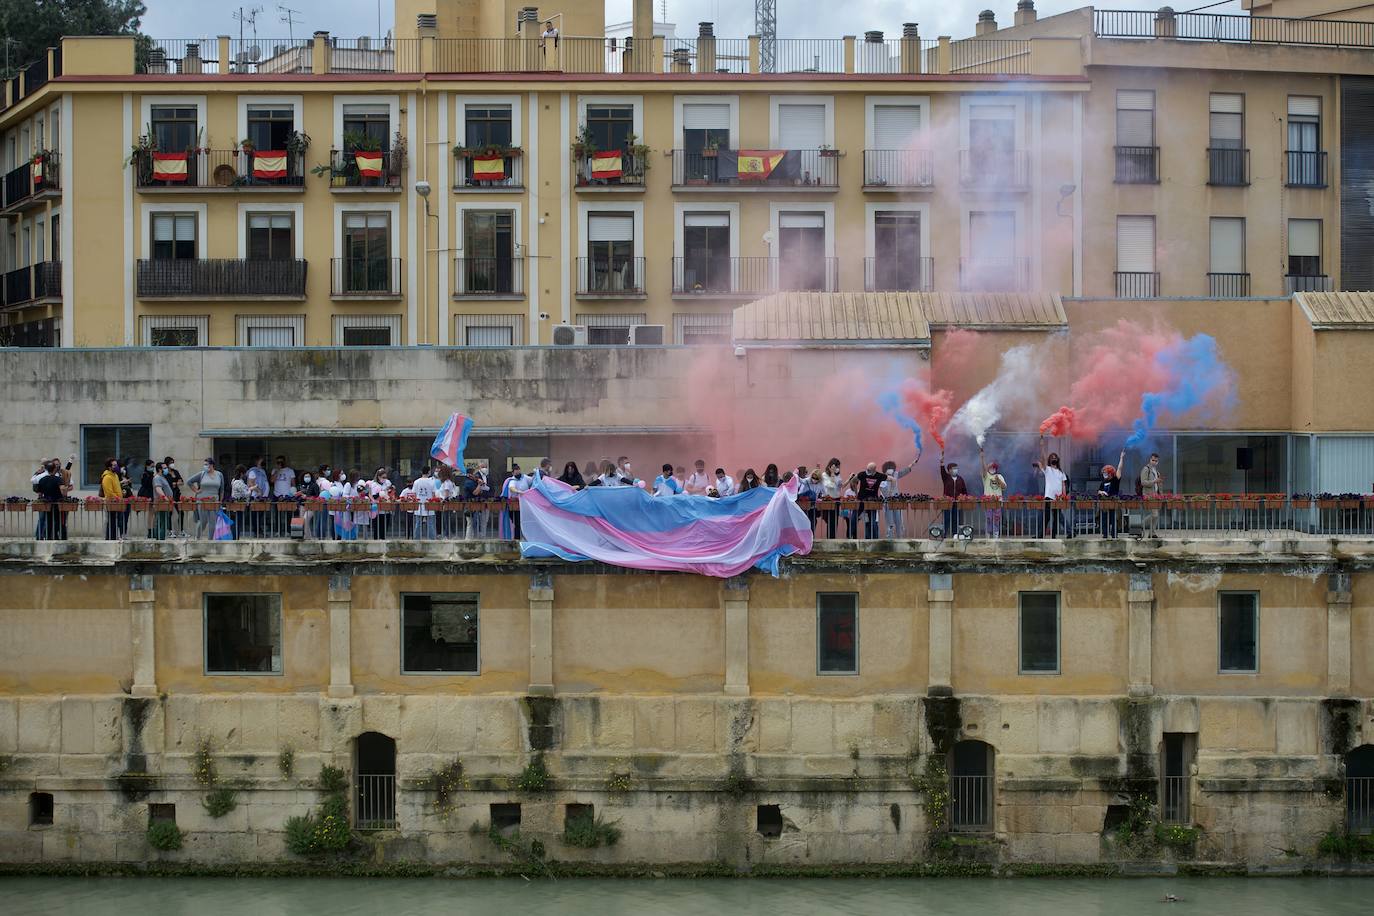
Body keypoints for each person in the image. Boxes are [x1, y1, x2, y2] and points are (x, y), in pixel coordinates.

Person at [1039, 437, 1070, 538]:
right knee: (1047, 517)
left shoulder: (1061, 472)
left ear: (1057, 460)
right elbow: (1043, 458)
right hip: (1049, 496)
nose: (1053, 458)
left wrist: (1064, 497)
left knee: (1057, 517)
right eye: (1052, 457)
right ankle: (1040, 535)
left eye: (1055, 457)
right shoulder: (1047, 469)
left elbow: (1063, 485)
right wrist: (1042, 446)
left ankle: (1054, 535)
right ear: (1050, 460)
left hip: (1058, 498)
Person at [32, 458, 71, 541]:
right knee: (58, 521)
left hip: (47, 504)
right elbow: (63, 490)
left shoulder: (42, 480)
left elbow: (39, 492)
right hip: (57, 503)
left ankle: (48, 537)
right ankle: (56, 537)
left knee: (48, 521)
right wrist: (64, 492)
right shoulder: (58, 479)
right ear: (54, 469)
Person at [186, 458, 225, 539]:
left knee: (213, 522)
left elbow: (222, 489)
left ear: (211, 465)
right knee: (203, 521)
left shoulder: (219, 474)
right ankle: (197, 537)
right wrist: (196, 491)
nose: (205, 466)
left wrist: (220, 501)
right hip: (202, 500)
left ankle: (210, 540)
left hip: (214, 500)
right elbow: (189, 481)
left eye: (206, 464)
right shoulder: (202, 474)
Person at [881, 457, 919, 538]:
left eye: (891, 468)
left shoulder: (895, 474)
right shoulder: (881, 478)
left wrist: (912, 464)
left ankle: (900, 538)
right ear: (885, 469)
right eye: (888, 468)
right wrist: (889, 496)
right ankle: (890, 539)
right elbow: (883, 490)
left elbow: (904, 471)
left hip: (897, 502)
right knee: (890, 522)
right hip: (887, 503)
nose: (890, 470)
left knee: (899, 521)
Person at [1098, 448, 1126, 538]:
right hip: (1105, 503)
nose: (1104, 475)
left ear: (1110, 473)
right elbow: (1099, 490)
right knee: (1104, 518)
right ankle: (1105, 534)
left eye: (1106, 473)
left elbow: (1119, 468)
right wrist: (1101, 492)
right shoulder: (1103, 481)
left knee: (1114, 518)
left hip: (1114, 501)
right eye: (1104, 473)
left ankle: (1114, 534)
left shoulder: (1115, 480)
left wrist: (1121, 458)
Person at [980, 447, 1007, 539]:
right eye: (991, 467)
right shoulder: (986, 476)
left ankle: (996, 534)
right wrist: (982, 459)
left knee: (996, 519)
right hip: (988, 502)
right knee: (988, 519)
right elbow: (983, 469)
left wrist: (998, 480)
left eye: (993, 467)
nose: (992, 468)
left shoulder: (1000, 476)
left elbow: (1004, 487)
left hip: (998, 502)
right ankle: (988, 534)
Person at [939, 453, 968, 538]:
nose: (955, 470)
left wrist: (965, 498)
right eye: (953, 468)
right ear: (949, 470)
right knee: (947, 518)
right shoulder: (946, 478)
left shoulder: (960, 479)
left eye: (956, 468)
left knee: (956, 519)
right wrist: (942, 463)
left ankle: (955, 534)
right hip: (947, 503)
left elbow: (964, 491)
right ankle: (944, 534)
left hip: (957, 503)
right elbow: (942, 471)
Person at [854, 462, 886, 539]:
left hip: (873, 503)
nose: (867, 470)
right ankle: (854, 537)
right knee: (856, 519)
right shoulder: (862, 474)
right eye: (867, 469)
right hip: (862, 501)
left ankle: (873, 539)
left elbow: (892, 479)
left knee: (872, 522)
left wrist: (890, 492)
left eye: (869, 469)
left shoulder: (879, 476)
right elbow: (853, 481)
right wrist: (856, 494)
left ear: (874, 470)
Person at [1138, 451, 1165, 537]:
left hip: (1156, 496)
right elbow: (1143, 482)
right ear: (1150, 459)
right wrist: (1154, 481)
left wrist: (1161, 494)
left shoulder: (1157, 472)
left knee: (1156, 515)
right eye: (1153, 460)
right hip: (1149, 495)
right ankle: (1140, 524)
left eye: (1156, 461)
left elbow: (1158, 485)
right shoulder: (1146, 469)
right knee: (1155, 514)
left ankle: (1151, 533)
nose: (1154, 462)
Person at [411, 466, 438, 540]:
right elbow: (433, 494)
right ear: (429, 472)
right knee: (431, 524)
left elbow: (414, 494)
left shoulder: (417, 481)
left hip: (419, 504)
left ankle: (416, 540)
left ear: (421, 472)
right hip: (429, 504)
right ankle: (432, 540)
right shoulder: (432, 481)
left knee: (418, 524)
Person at [99, 458, 123, 540]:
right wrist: (117, 497)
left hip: (117, 502)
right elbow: (109, 492)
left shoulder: (115, 475)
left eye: (116, 465)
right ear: (109, 467)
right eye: (114, 465)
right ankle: (110, 538)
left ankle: (114, 537)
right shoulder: (107, 477)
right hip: (111, 502)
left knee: (116, 521)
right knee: (111, 521)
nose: (116, 467)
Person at [819, 458, 843, 538]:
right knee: (830, 521)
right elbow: (831, 486)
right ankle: (829, 539)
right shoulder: (824, 475)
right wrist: (832, 473)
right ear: (831, 466)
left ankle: (833, 538)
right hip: (829, 500)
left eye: (839, 467)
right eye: (837, 467)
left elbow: (839, 487)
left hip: (836, 499)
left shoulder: (838, 475)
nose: (838, 469)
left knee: (835, 521)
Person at [163, 456, 185, 537]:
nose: (172, 464)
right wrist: (175, 483)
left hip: (177, 494)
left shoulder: (175, 472)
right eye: (171, 463)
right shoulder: (165, 473)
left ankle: (181, 530)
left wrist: (175, 483)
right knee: (170, 512)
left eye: (173, 462)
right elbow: (167, 484)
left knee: (181, 511)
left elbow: (181, 481)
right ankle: (170, 530)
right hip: (169, 494)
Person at [151, 462, 174, 540]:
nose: (166, 469)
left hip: (165, 503)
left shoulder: (162, 477)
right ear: (159, 469)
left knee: (164, 521)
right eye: (164, 468)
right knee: (161, 521)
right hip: (161, 502)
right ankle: (160, 539)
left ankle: (161, 538)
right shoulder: (157, 478)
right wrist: (165, 497)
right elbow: (158, 489)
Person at [230, 464, 252, 539]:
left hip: (236, 505)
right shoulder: (238, 482)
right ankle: (235, 538)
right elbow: (245, 494)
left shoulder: (234, 481)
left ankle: (236, 537)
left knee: (236, 522)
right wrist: (250, 489)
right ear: (242, 473)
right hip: (238, 506)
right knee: (237, 522)